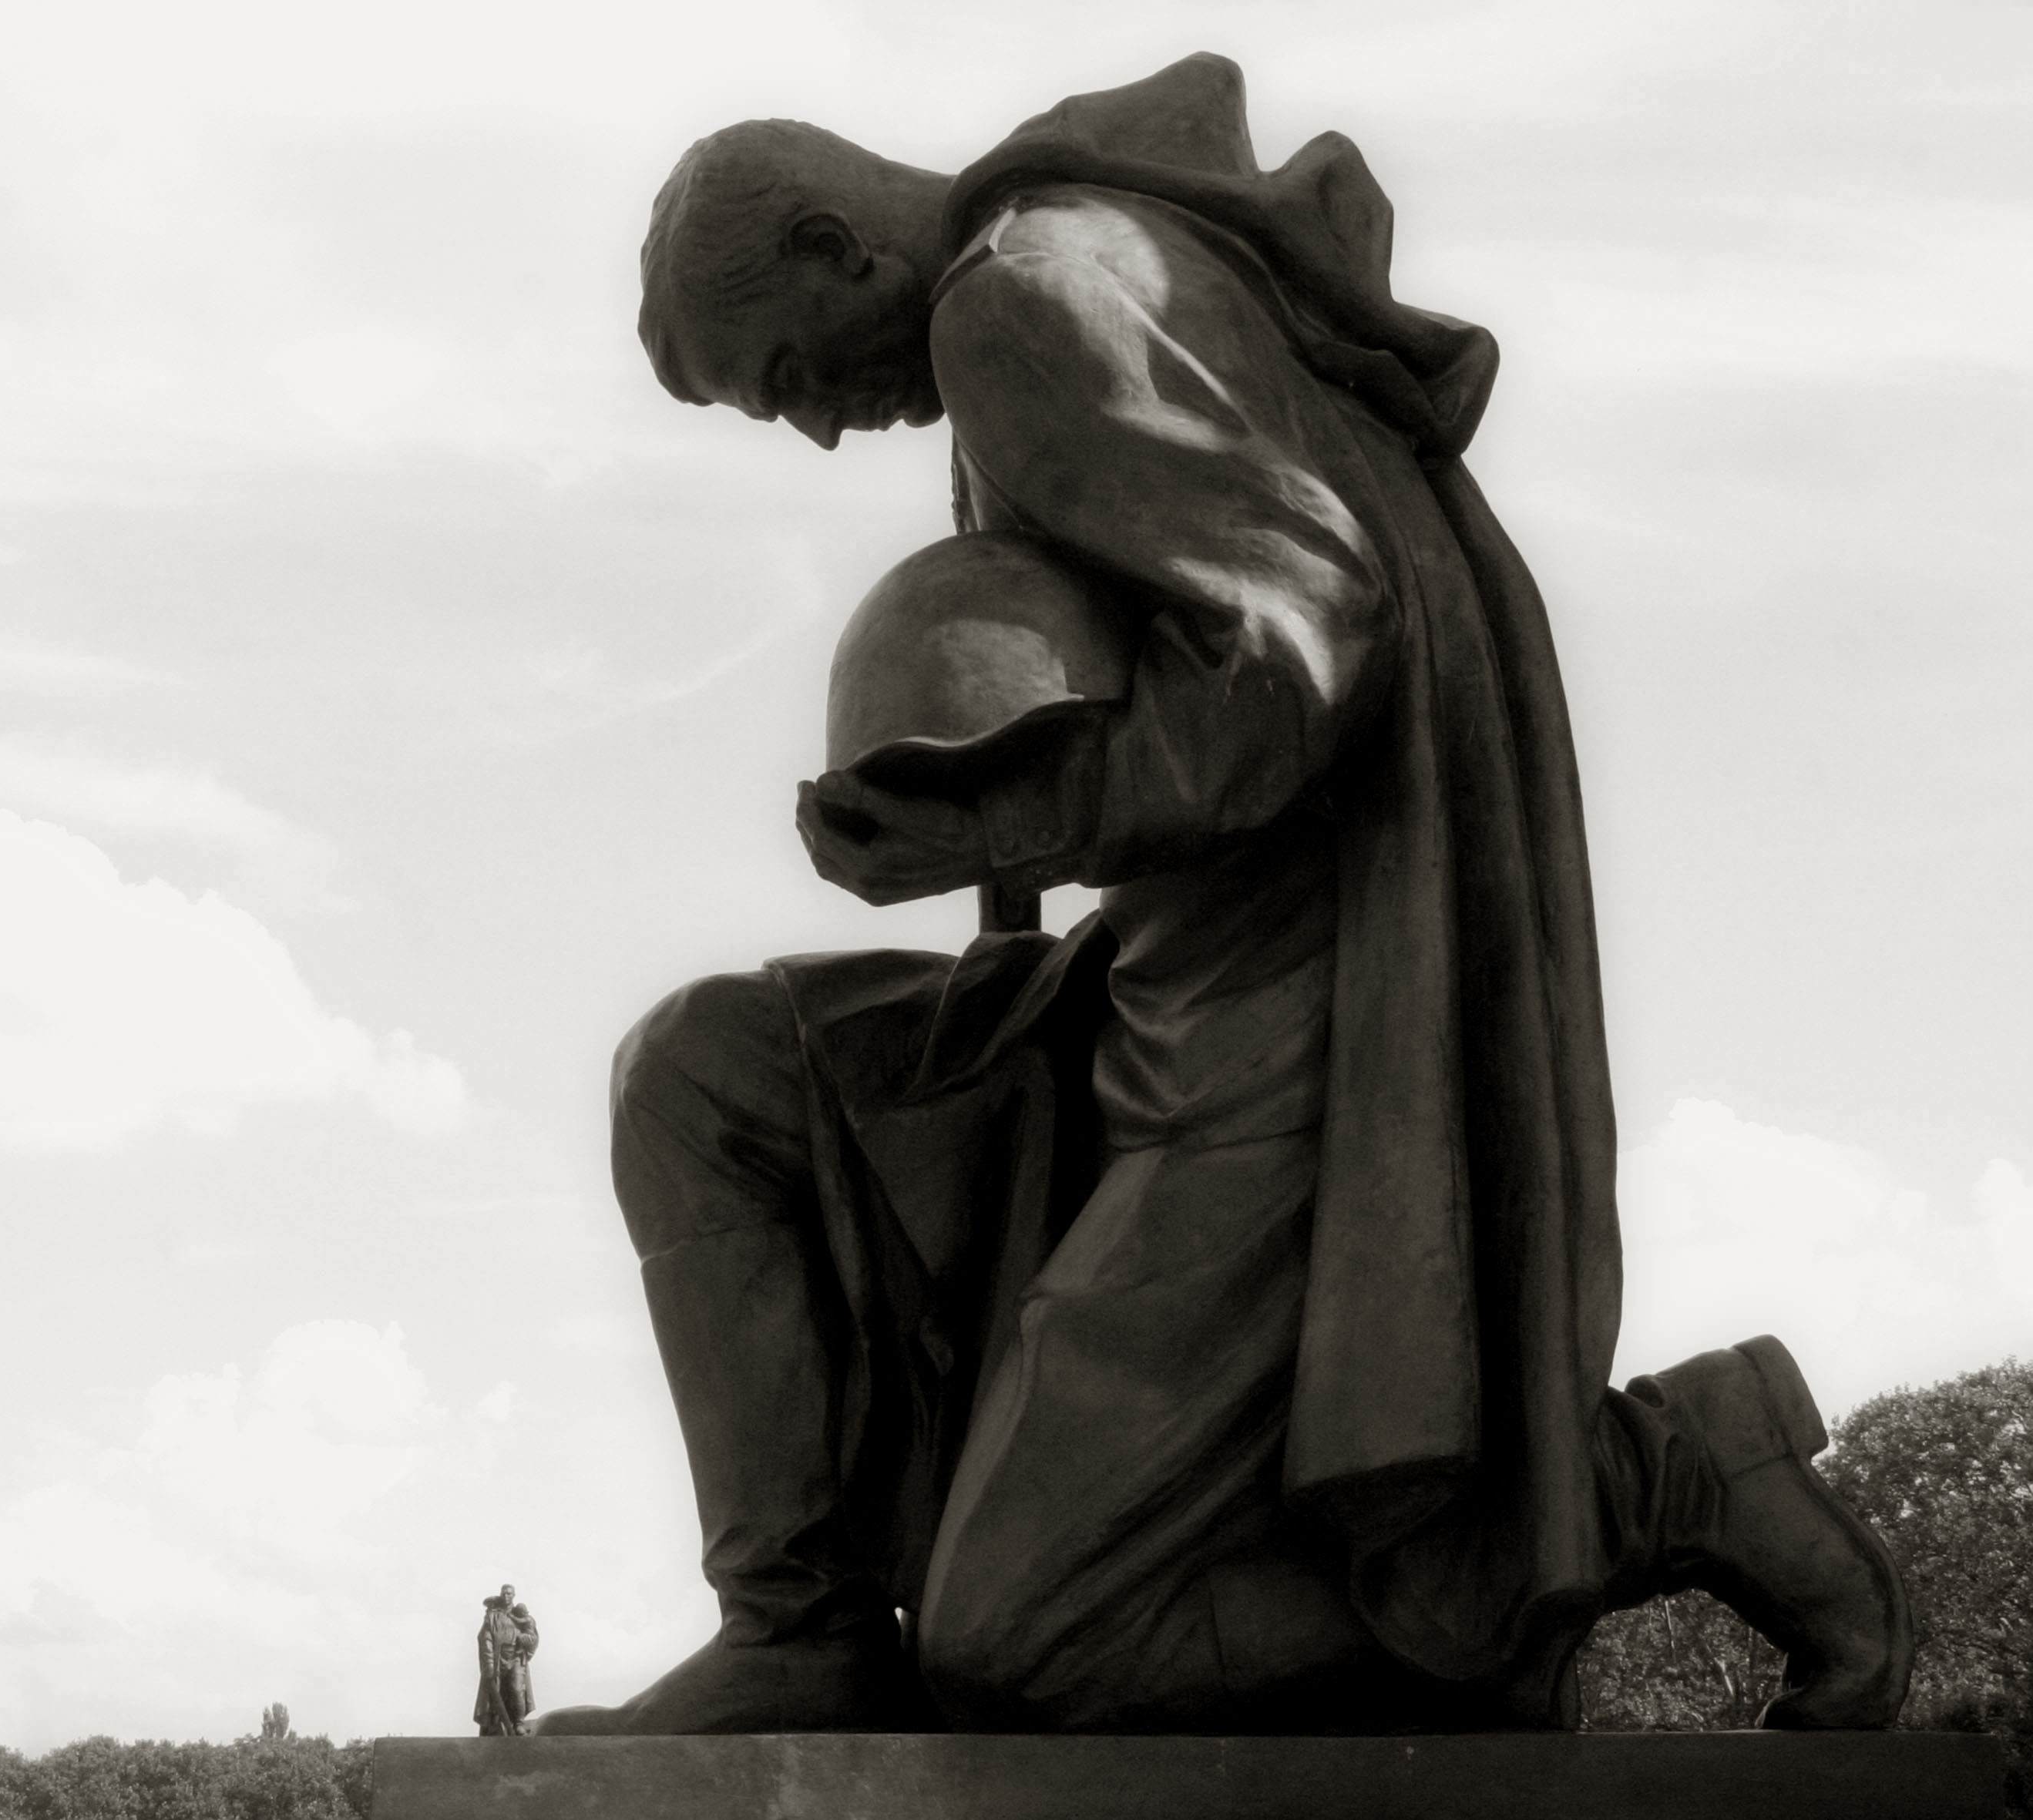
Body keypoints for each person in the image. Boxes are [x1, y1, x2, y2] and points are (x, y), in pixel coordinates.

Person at [536, 53, 1909, 1738]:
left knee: (1023, 1646)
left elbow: (1305, 638)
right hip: (1165, 961)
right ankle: (797, 1615)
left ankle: (1646, 1482)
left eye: (789, 378)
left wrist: (1019, 809)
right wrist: (994, 857)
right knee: (708, 1069)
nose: (822, 422)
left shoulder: (1021, 302)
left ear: (836, 243)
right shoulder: (1051, 268)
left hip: (1303, 1015)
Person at [474, 1585, 537, 1735]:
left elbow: (533, 1638)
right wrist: (489, 1661)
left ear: (514, 1595)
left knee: (517, 1689)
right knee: (496, 1690)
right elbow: (485, 1637)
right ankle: (495, 1725)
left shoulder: (521, 1615)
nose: (506, 1596)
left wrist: (525, 1639)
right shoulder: (493, 1615)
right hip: (498, 1657)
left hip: (515, 1657)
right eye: (504, 1593)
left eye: (509, 1594)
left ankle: (518, 1724)